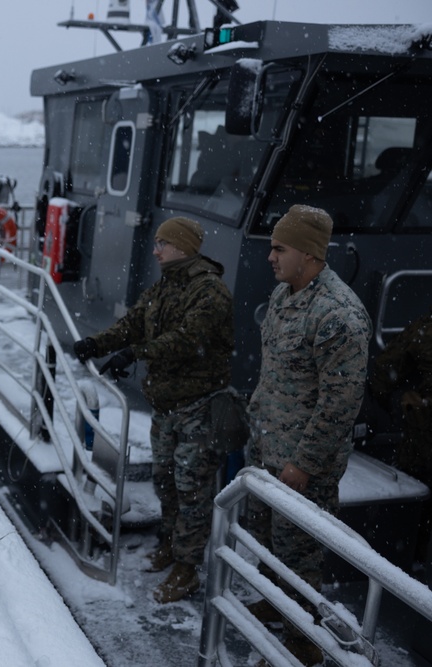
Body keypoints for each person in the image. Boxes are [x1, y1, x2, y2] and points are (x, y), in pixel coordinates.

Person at [72, 217, 234, 603]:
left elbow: (187, 339)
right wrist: (97, 344)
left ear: (182, 247)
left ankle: (187, 568)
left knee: (191, 489)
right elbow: (133, 324)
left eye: (163, 243)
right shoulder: (165, 286)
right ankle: (171, 545)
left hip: (200, 406)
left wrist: (136, 352)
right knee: (166, 483)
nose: (156, 250)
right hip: (166, 406)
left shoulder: (210, 292)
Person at [244, 204, 371, 666]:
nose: (270, 257)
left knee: (298, 554)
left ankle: (302, 641)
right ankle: (271, 600)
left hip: (302, 462)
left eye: (279, 248)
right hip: (266, 446)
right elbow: (276, 372)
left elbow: (339, 403)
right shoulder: (284, 296)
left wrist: (303, 463)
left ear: (310, 254)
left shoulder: (338, 316)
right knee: (263, 537)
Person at [370, 307, 432, 568]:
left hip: (424, 437)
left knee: (418, 504)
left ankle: (412, 561)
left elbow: (384, 370)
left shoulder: (425, 327)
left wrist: (392, 406)